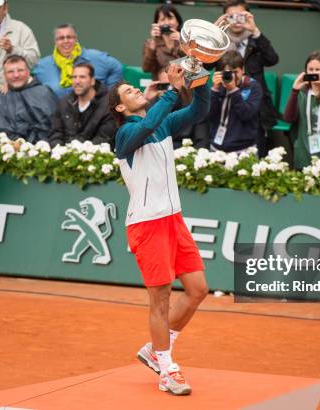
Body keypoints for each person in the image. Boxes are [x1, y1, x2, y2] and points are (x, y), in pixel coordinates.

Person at [109, 64, 210, 396]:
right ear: (120, 109)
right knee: (161, 299)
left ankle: (156, 349)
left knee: (197, 290)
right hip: (146, 224)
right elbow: (149, 121)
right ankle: (166, 369)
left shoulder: (164, 123)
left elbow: (200, 110)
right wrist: (171, 89)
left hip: (173, 219)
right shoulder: (124, 136)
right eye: (128, 92)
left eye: (134, 88)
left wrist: (199, 78)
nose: (135, 91)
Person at [215, 0, 279, 157]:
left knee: (255, 160)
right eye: (231, 17)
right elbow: (204, 66)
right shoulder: (220, 43)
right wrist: (213, 34)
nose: (236, 21)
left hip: (254, 109)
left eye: (240, 16)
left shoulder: (256, 41)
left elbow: (272, 59)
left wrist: (255, 31)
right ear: (224, 18)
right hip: (224, 107)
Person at [0, 55, 56, 142]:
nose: (16, 75)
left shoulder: (44, 94)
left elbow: (54, 129)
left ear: (28, 72)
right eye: (10, 72)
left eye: (20, 70)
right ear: (4, 75)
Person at [33, 23, 123, 99]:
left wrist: (110, 97)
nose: (66, 41)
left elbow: (117, 67)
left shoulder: (96, 57)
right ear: (55, 41)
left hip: (94, 114)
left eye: (69, 37)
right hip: (59, 116)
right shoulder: (42, 66)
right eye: (61, 38)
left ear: (76, 38)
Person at [48, 62, 116, 148]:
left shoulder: (108, 104)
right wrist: (60, 151)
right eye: (74, 77)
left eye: (82, 77)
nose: (77, 81)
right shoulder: (64, 103)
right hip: (66, 157)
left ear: (92, 81)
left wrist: (78, 153)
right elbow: (55, 134)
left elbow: (104, 139)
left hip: (95, 157)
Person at [209, 51, 262, 153]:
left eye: (235, 72)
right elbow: (209, 115)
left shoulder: (253, 87)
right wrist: (214, 90)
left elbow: (247, 114)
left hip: (243, 150)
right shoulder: (218, 85)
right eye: (228, 73)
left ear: (243, 70)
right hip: (217, 148)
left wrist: (233, 90)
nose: (232, 76)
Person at [143, 68, 210, 149]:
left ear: (180, 84)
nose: (165, 90)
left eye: (170, 86)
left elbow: (202, 143)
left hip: (184, 156)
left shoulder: (192, 106)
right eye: (162, 86)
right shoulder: (149, 108)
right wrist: (145, 101)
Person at [141, 4, 184, 81]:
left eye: (170, 18)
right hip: (163, 87)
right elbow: (146, 69)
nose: (167, 22)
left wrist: (182, 42)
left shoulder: (186, 40)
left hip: (184, 85)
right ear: (157, 24)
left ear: (177, 22)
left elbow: (194, 66)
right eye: (162, 19)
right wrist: (152, 46)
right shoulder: (150, 43)